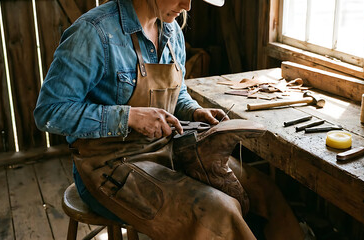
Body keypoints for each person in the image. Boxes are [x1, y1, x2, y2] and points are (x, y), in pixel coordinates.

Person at [34, 0, 305, 239]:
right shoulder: (93, 32)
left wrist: (194, 110)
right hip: (108, 166)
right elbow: (49, 112)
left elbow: (179, 90)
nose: (187, 5)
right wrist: (129, 117)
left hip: (168, 150)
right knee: (218, 212)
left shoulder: (171, 29)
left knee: (263, 192)